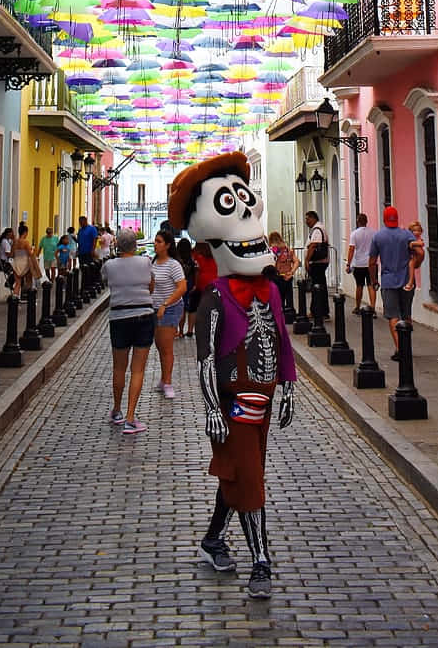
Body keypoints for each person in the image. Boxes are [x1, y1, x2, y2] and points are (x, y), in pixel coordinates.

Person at [168, 151, 295, 600]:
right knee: (249, 476)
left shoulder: (268, 293)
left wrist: (289, 388)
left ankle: (211, 539)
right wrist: (211, 410)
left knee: (244, 472)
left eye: (246, 202)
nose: (245, 213)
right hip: (231, 401)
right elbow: (204, 362)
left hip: (261, 399)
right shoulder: (214, 301)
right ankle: (262, 560)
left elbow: (281, 339)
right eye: (228, 204)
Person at [102, 227, 155, 435]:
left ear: (117, 246)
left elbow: (107, 284)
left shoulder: (109, 265)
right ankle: (131, 418)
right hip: (143, 316)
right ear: (135, 246)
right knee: (138, 369)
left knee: (118, 368)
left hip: (119, 317)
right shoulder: (145, 262)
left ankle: (117, 410)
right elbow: (151, 286)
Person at [368, 207, 423, 362]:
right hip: (407, 280)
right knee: (406, 314)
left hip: (388, 280)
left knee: (393, 315)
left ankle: (401, 348)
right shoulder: (406, 235)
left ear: (384, 218)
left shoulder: (378, 236)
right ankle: (407, 346)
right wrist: (416, 264)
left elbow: (372, 262)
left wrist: (374, 280)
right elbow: (419, 252)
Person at [151, 229, 187, 398]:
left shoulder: (173, 265)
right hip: (155, 309)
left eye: (159, 241)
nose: (155, 244)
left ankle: (168, 382)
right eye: (155, 241)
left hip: (170, 308)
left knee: (166, 347)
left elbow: (182, 287)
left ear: (167, 245)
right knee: (159, 345)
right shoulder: (153, 262)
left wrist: (166, 303)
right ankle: (163, 378)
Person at [345, 212, 377, 316]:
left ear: (358, 222)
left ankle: (357, 307)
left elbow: (351, 249)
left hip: (358, 263)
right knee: (371, 285)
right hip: (371, 263)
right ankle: (372, 307)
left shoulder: (354, 234)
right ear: (366, 222)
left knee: (359, 285)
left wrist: (348, 264)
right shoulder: (373, 233)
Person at [304, 210, 330, 319]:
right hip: (319, 263)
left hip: (318, 263)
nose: (306, 221)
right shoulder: (318, 228)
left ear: (313, 218)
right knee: (320, 287)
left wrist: (307, 260)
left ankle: (317, 311)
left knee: (317, 287)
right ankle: (321, 310)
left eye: (307, 218)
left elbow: (313, 245)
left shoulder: (317, 230)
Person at [268, 231, 299, 317]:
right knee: (289, 297)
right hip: (288, 276)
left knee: (278, 299)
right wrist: (291, 272)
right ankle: (290, 315)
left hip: (277, 277)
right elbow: (297, 262)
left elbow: (272, 263)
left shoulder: (272, 250)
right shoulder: (287, 249)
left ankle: (280, 317)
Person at [175, 238, 197, 338]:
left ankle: (178, 331)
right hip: (189, 285)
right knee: (185, 309)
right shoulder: (191, 260)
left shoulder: (176, 260)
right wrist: (195, 285)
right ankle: (183, 330)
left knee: (177, 308)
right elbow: (195, 273)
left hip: (178, 285)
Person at [10, 223, 36, 299]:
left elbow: (11, 254)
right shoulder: (26, 242)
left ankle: (15, 298)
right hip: (25, 263)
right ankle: (29, 297)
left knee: (17, 283)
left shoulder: (15, 242)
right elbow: (30, 254)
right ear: (25, 232)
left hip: (16, 263)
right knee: (29, 282)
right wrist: (33, 250)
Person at [403, 221, 425, 296]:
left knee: (411, 264)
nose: (416, 232)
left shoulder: (418, 239)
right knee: (411, 265)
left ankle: (410, 282)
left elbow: (421, 244)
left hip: (415, 257)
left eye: (418, 230)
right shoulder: (411, 238)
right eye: (414, 231)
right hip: (413, 256)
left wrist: (412, 243)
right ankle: (411, 281)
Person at [0, 227, 15, 292]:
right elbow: (8, 254)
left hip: (6, 262)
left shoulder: (7, 241)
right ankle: (9, 283)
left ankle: (10, 283)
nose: (12, 235)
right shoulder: (5, 242)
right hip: (4, 264)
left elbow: (13, 244)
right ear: (8, 234)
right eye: (11, 234)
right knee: (18, 271)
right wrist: (14, 255)